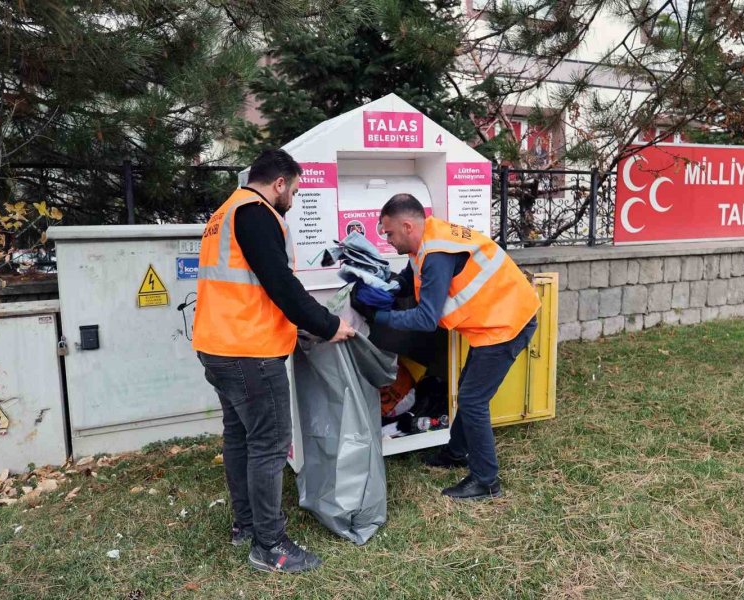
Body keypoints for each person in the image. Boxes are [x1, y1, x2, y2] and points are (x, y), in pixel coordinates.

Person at [192, 149, 355, 573]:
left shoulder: (224, 213)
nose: (294, 200)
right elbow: (281, 283)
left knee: (240, 437)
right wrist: (326, 323)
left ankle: (246, 525)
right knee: (269, 444)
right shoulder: (256, 212)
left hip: (219, 345)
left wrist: (296, 324)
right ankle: (270, 545)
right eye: (295, 191)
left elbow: (250, 288)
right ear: (279, 183)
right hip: (249, 353)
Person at [354, 194, 540, 501]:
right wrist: (389, 287)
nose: (387, 240)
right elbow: (411, 274)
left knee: (472, 399)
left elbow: (428, 318)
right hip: (494, 322)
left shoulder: (437, 253)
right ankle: (456, 453)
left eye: (389, 233)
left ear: (407, 226)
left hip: (508, 323)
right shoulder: (427, 238)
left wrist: (380, 317)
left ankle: (486, 481)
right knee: (468, 390)